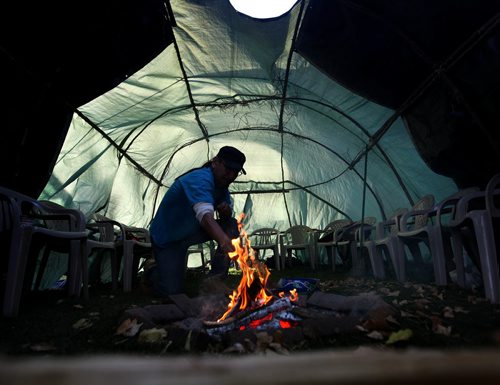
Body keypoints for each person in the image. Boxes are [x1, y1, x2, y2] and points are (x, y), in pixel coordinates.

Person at [146, 146, 246, 296]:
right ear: (215, 162)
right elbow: (205, 217)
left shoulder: (222, 186)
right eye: (228, 169)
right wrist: (226, 243)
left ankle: (215, 280)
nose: (231, 175)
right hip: (168, 238)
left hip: (190, 232)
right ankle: (152, 270)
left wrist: (225, 213)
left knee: (230, 223)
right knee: (171, 291)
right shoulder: (200, 178)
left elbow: (225, 221)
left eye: (235, 172)